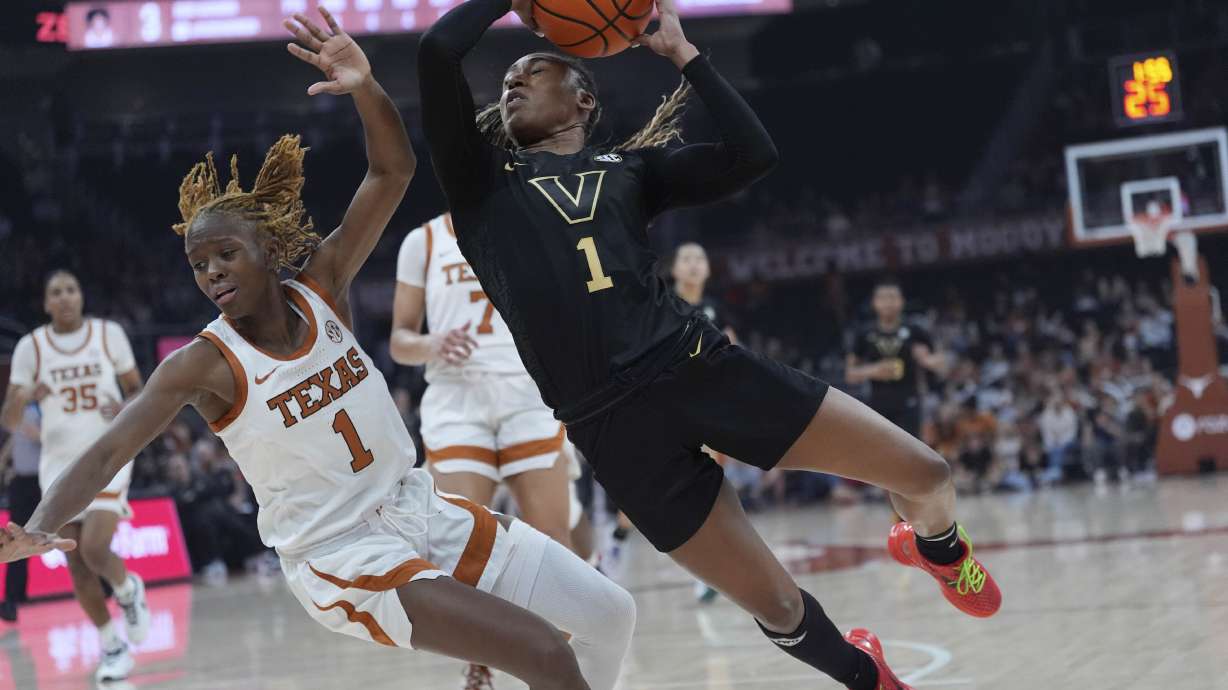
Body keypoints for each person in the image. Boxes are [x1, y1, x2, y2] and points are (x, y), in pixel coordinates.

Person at [0, 12, 633, 690]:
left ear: (269, 249)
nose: (211, 273)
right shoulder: (203, 363)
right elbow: (107, 450)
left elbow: (392, 170)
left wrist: (364, 85)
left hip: (420, 507)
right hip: (343, 554)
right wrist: (38, 524)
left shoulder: (323, 286)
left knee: (610, 613)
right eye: (198, 264)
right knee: (544, 652)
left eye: (225, 254)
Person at [417, 1, 1000, 688]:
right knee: (778, 606)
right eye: (507, 78)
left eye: (532, 70)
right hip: (612, 427)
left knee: (928, 475)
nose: (512, 81)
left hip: (698, 369)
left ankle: (938, 549)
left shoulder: (631, 170)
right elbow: (437, 51)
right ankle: (868, 678)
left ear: (583, 100)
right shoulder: (481, 181)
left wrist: (686, 57)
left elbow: (754, 156)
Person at [391, 210, 581, 689]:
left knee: (554, 541)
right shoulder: (423, 240)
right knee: (462, 547)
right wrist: (431, 344)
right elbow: (399, 341)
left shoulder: (530, 222)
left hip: (526, 391)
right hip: (457, 398)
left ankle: (561, 667)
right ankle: (480, 662)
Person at [0, 271, 150, 681]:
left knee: (96, 549)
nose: (64, 297)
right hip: (58, 464)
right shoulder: (32, 346)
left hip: (107, 456)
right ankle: (112, 646)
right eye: (56, 292)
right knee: (76, 562)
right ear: (46, 303)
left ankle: (128, 590)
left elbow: (139, 390)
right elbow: (10, 420)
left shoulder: (108, 334)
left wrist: (125, 408)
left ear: (81, 296)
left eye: (71, 290)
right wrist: (23, 395)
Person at [845, 278, 946, 440]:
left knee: (911, 447)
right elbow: (850, 374)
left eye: (892, 297)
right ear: (875, 303)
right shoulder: (864, 333)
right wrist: (873, 370)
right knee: (882, 449)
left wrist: (925, 360)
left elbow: (941, 363)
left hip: (910, 403)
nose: (888, 303)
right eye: (883, 298)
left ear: (901, 301)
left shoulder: (915, 330)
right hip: (877, 404)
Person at [0, 403, 41, 622]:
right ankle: (12, 599)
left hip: (43, 481)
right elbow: (15, 439)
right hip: (21, 482)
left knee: (66, 533)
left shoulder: (47, 407)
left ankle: (102, 585)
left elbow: (61, 443)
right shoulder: (19, 410)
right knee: (15, 537)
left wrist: (40, 435)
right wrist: (3, 460)